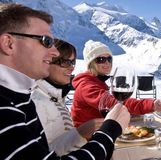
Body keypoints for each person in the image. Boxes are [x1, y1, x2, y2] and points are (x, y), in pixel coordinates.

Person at [0, 3, 129, 159]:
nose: (54, 51)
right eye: (46, 41)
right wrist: (109, 132)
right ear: (9, 43)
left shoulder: (21, 98)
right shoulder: (7, 105)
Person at [70, 40, 161, 127]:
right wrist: (150, 105)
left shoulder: (97, 81)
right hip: (86, 139)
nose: (107, 63)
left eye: (109, 59)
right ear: (91, 63)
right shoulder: (86, 86)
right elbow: (114, 104)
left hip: (99, 129)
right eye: (101, 59)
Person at [31, 39, 104, 155]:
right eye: (65, 62)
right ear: (47, 62)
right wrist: (80, 133)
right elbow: (41, 153)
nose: (71, 68)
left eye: (72, 62)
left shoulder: (54, 97)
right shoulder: (36, 102)